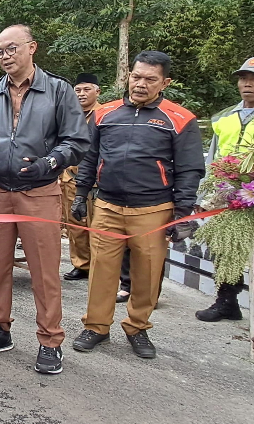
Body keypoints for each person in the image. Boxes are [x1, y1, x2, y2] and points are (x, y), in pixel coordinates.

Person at [0, 24, 90, 375]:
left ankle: (50, 340)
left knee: (44, 270)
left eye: (11, 49)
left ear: (31, 48)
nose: (4, 56)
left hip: (39, 191)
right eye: (0, 51)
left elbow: (77, 141)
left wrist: (49, 162)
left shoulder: (58, 90)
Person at [71, 51, 205, 359]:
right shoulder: (106, 113)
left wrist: (183, 213)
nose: (140, 84)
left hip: (153, 210)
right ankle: (95, 326)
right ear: (128, 75)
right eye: (136, 76)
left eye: (150, 79)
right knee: (102, 270)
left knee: (146, 273)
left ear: (165, 82)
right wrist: (80, 194)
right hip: (106, 205)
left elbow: (190, 169)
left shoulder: (180, 119)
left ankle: (137, 326)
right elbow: (90, 157)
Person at [195, 57, 254, 322]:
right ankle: (226, 300)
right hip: (226, 193)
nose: (248, 84)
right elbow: (213, 158)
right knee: (224, 246)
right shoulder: (225, 117)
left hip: (250, 191)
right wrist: (204, 195)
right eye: (244, 79)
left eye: (253, 80)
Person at [61, 73, 102, 281]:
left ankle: (100, 266)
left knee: (99, 226)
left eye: (87, 89)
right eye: (78, 90)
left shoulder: (104, 114)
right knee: (75, 224)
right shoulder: (69, 114)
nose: (81, 94)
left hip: (97, 181)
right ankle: (81, 264)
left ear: (97, 91)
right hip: (71, 177)